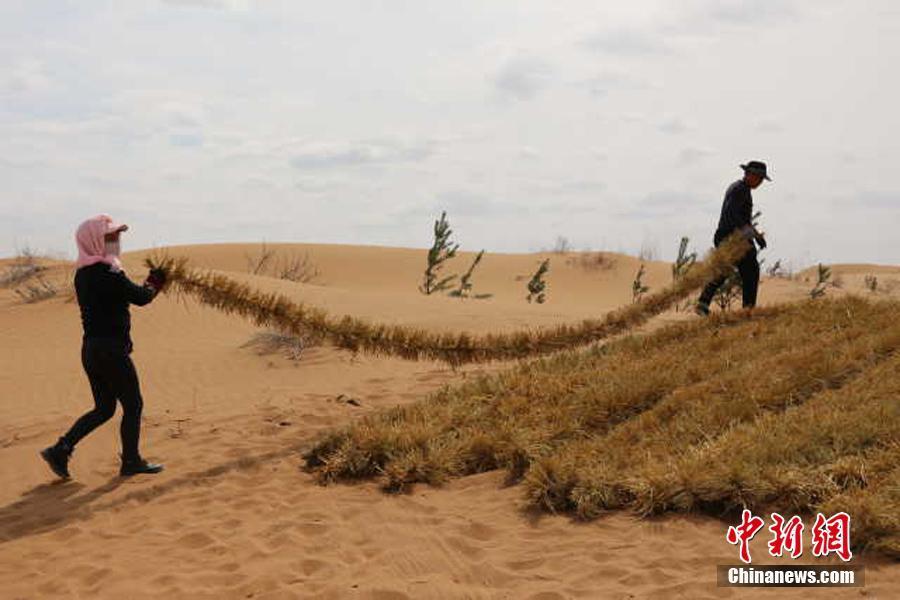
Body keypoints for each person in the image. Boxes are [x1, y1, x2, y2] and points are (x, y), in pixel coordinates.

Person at [40, 215, 168, 479]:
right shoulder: (108, 272)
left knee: (105, 408)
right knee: (133, 405)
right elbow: (142, 297)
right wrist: (155, 281)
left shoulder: (84, 273)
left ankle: (60, 449)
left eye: (117, 237)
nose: (116, 242)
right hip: (111, 351)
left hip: (92, 351)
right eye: (110, 237)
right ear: (96, 240)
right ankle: (131, 461)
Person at [696, 161, 771, 315]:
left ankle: (703, 303)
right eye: (759, 178)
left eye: (762, 179)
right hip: (730, 237)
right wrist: (750, 235)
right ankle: (748, 311)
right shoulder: (739, 190)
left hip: (730, 236)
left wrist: (755, 236)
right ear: (749, 175)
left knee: (724, 270)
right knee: (751, 270)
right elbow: (733, 215)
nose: (760, 182)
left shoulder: (743, 189)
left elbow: (743, 219)